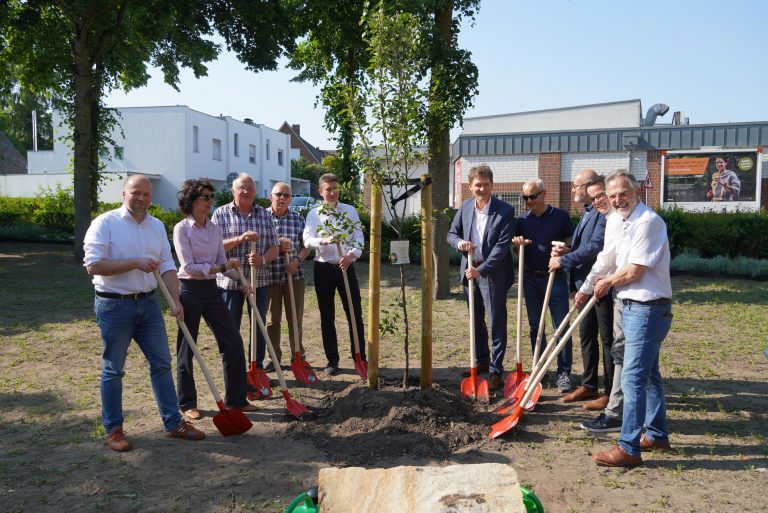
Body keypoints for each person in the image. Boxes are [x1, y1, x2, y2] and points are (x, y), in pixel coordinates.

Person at [84, 175, 205, 452]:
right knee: (113, 369)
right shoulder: (105, 223)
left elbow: (167, 265)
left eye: (146, 194)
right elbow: (93, 265)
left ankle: (174, 423)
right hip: (114, 305)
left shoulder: (156, 226)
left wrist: (175, 299)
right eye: (136, 193)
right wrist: (134, 263)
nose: (141, 199)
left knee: (161, 364)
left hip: (149, 305)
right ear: (124, 194)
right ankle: (114, 429)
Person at [591, 171, 673, 467]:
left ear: (636, 191)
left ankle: (628, 448)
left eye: (622, 193)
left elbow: (634, 271)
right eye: (612, 196)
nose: (617, 200)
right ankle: (656, 434)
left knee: (633, 377)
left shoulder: (647, 222)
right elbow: (615, 260)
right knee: (649, 375)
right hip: (634, 306)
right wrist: (598, 281)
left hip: (647, 308)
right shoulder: (625, 222)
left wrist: (606, 282)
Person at [173, 179, 257, 420]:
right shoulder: (182, 229)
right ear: (191, 201)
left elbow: (222, 265)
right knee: (187, 346)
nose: (210, 201)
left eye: (211, 197)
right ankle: (187, 403)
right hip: (189, 290)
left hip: (211, 290)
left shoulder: (214, 229)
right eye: (205, 197)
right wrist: (221, 266)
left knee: (232, 341)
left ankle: (236, 400)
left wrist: (240, 278)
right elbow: (189, 266)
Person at [447, 163, 515, 390]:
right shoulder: (465, 207)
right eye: (478, 185)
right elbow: (451, 233)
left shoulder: (505, 211)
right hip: (470, 272)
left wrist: (481, 269)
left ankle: (496, 370)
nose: (482, 189)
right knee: (476, 320)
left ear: (492, 185)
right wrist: (460, 243)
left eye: (486, 185)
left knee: (496, 320)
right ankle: (481, 361)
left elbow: (501, 248)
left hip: (493, 274)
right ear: (470, 186)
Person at [550, 169, 613, 405]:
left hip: (600, 287)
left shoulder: (604, 214)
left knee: (606, 339)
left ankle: (609, 392)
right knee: (587, 336)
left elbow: (596, 247)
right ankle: (589, 385)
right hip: (582, 285)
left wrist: (563, 260)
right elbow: (583, 247)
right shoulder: (588, 213)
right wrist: (568, 251)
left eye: (576, 186)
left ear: (588, 187)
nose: (573, 190)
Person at [211, 173, 279, 369]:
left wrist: (262, 259)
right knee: (231, 327)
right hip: (230, 283)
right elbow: (215, 248)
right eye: (241, 187)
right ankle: (234, 368)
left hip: (258, 282)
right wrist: (240, 239)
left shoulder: (265, 215)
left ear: (255, 192)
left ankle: (255, 368)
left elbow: (274, 246)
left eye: (250, 188)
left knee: (258, 326)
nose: (246, 191)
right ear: (233, 191)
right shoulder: (220, 214)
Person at [513, 179, 575, 392]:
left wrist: (565, 251)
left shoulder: (561, 217)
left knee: (561, 327)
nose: (528, 201)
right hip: (530, 278)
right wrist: (517, 245)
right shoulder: (522, 220)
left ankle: (564, 372)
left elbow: (571, 244)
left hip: (555, 278)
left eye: (532, 196)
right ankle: (539, 369)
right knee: (535, 327)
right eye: (525, 198)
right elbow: (515, 251)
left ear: (543, 193)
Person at [576, 176, 626, 432]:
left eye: (600, 196)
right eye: (593, 197)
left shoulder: (618, 220)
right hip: (605, 286)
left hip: (619, 292)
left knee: (613, 344)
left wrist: (586, 287)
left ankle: (612, 397)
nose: (597, 201)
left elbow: (603, 256)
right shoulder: (606, 218)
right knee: (604, 342)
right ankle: (599, 390)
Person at [303, 173, 366, 375]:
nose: (332, 192)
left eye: (335, 188)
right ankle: (332, 360)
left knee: (354, 313)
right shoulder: (314, 214)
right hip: (323, 268)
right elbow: (307, 239)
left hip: (345, 267)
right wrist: (321, 241)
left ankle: (360, 357)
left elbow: (358, 237)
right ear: (320, 192)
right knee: (327, 316)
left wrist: (351, 255)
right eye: (328, 189)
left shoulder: (350, 211)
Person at [265, 182, 311, 366]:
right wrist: (276, 247)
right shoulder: (262, 217)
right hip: (270, 277)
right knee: (272, 320)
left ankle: (298, 355)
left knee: (295, 317)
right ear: (271, 196)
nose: (282, 198)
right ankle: (273, 357)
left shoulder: (298, 219)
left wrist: (297, 260)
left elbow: (306, 246)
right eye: (279, 194)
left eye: (286, 195)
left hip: (295, 276)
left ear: (291, 199)